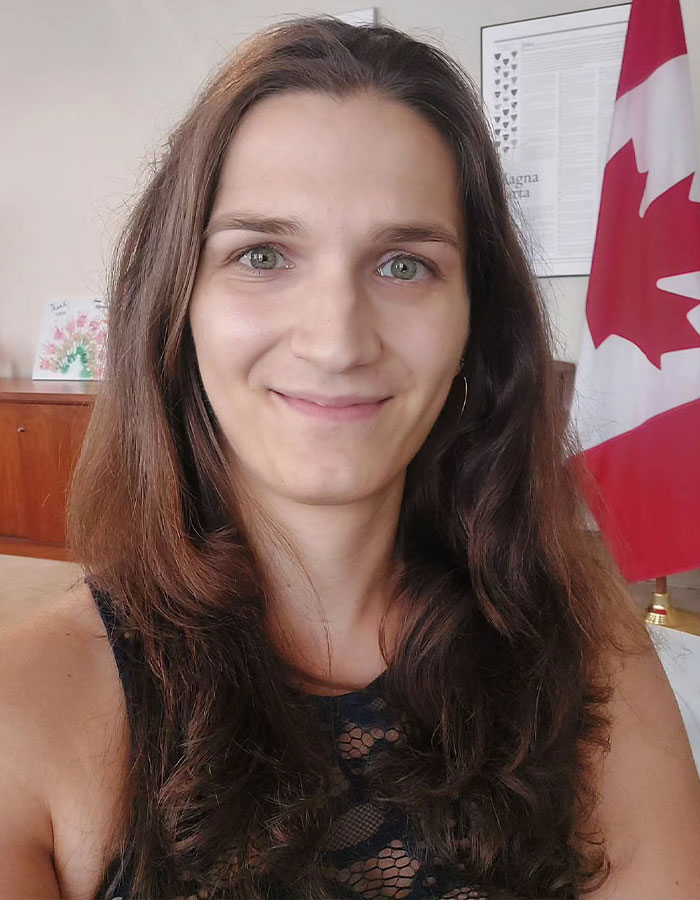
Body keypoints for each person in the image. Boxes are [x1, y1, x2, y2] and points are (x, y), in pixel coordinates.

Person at [2, 13, 699, 900]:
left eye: (404, 264)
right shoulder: (26, 709)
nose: (336, 341)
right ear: (177, 307)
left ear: (474, 324)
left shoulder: (583, 640)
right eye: (263, 255)